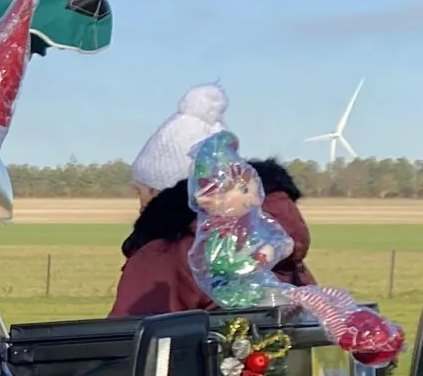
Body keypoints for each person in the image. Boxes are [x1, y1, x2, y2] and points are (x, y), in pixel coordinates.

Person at [110, 84, 317, 317]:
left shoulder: (166, 255)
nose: (141, 204)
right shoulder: (278, 244)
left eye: (142, 191)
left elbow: (127, 342)